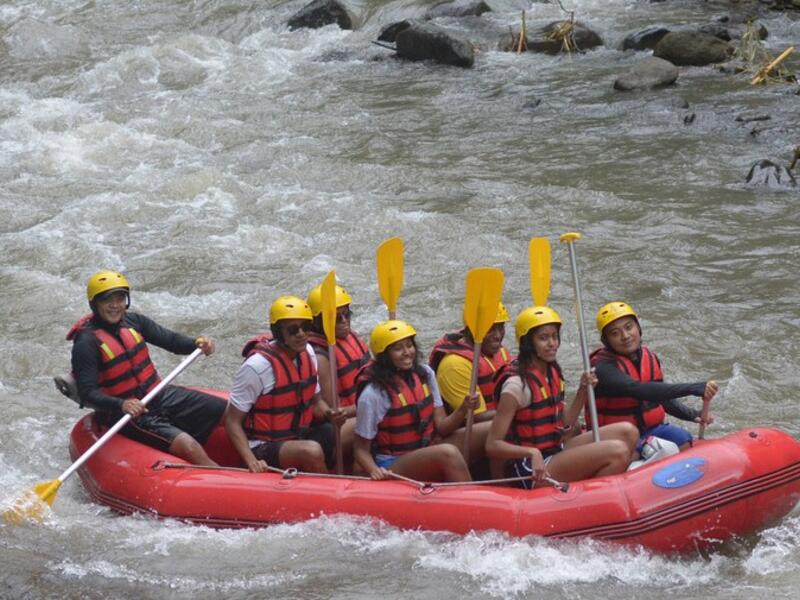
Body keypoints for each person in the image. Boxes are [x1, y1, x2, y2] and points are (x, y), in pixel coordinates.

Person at [69, 271, 225, 466]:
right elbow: (87, 393)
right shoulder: (86, 343)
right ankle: (227, 479)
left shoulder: (134, 322)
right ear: (95, 304)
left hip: (158, 394)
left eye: (120, 299)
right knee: (188, 446)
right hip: (128, 414)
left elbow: (171, 341)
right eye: (107, 301)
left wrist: (197, 344)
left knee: (225, 409)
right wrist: (121, 405)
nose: (115, 306)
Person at [486, 306, 638, 488]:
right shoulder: (516, 386)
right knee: (618, 451)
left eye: (554, 336)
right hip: (528, 467)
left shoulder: (551, 372)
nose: (552, 343)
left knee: (629, 432)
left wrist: (583, 390)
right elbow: (492, 445)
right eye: (543, 338)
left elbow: (565, 422)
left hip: (554, 449)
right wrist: (531, 453)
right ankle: (590, 497)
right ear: (528, 343)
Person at [353, 320, 490, 483]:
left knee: (492, 428)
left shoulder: (425, 373)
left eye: (409, 345)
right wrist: (374, 470)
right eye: (398, 349)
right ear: (384, 355)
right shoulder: (374, 394)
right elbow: (360, 450)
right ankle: (472, 502)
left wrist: (463, 409)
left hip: (428, 448)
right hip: (394, 463)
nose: (407, 352)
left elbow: (443, 427)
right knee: (448, 453)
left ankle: (506, 483)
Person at [225, 295, 345, 474]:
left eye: (306, 327)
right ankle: (329, 491)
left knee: (339, 431)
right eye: (293, 330)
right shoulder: (257, 366)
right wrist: (251, 460)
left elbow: (316, 401)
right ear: (279, 333)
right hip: (262, 445)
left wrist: (329, 413)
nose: (301, 334)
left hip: (297, 434)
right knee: (311, 450)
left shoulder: (309, 353)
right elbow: (232, 421)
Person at [591, 301, 718, 452]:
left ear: (638, 328)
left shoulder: (649, 357)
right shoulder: (602, 368)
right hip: (617, 437)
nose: (625, 336)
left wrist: (692, 415)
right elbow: (638, 389)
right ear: (607, 341)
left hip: (649, 430)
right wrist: (692, 388)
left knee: (683, 439)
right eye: (615, 333)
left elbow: (658, 396)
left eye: (628, 327)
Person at [305, 283, 371, 468]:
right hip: (329, 430)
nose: (344, 321)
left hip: (355, 414)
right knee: (372, 418)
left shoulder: (350, 337)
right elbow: (332, 412)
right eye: (337, 317)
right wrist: (372, 406)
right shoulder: (319, 357)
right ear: (319, 322)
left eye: (347, 314)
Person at [428, 302, 512, 419]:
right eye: (490, 329)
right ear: (472, 329)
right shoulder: (455, 365)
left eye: (501, 327)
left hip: (496, 419)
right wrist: (516, 410)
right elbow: (476, 418)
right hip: (464, 432)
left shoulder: (500, 351)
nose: (498, 335)